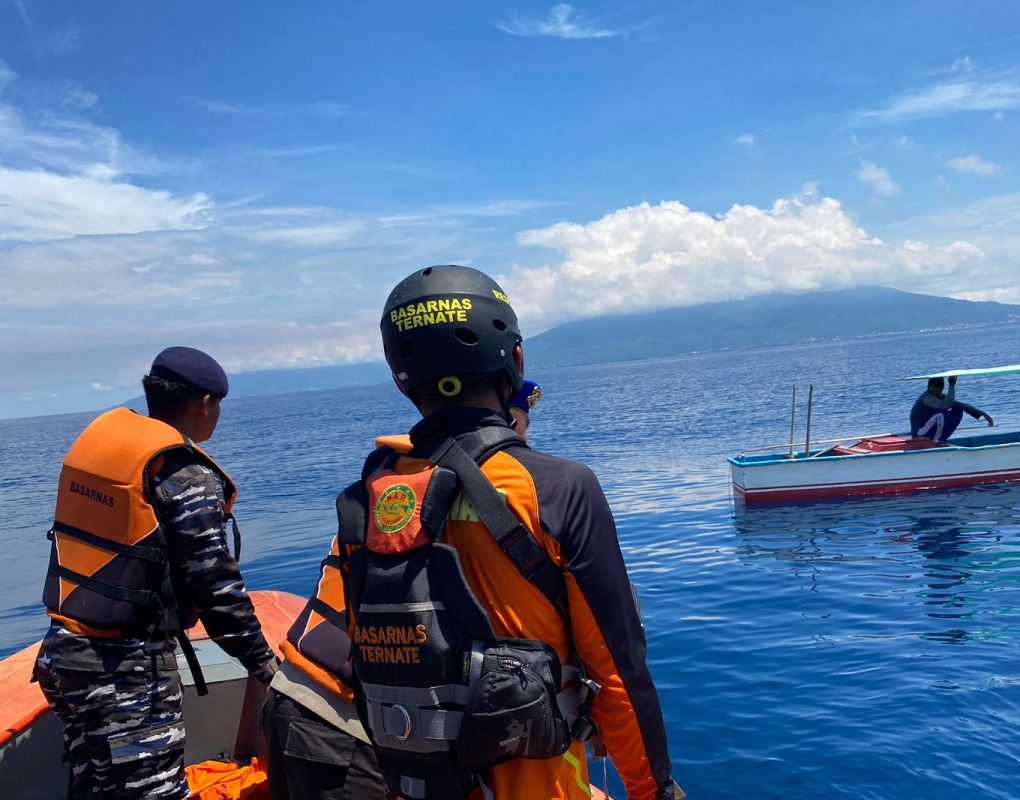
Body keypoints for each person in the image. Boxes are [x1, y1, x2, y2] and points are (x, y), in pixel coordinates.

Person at [336, 265, 679, 800]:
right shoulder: (556, 487)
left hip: (416, 783)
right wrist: (653, 790)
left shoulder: (374, 495)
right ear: (515, 362)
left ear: (401, 377)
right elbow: (618, 671)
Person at [35, 346, 278, 800]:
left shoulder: (112, 455)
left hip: (64, 655)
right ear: (205, 404)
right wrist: (263, 665)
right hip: (125, 671)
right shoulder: (183, 474)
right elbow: (215, 586)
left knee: (96, 788)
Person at [909, 375, 995, 442]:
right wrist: (952, 385)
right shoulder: (927, 398)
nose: (940, 391)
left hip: (928, 429)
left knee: (958, 409)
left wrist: (982, 413)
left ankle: (942, 438)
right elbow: (947, 404)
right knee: (942, 412)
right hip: (919, 432)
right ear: (930, 386)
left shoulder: (938, 395)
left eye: (941, 388)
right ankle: (937, 441)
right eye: (937, 388)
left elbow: (959, 404)